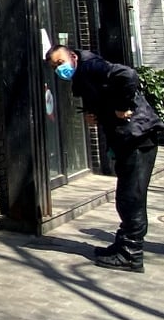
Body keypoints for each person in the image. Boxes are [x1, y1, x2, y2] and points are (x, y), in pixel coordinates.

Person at [45, 44, 162, 272]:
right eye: (54, 67)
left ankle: (131, 254)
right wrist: (96, 114)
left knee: (131, 198)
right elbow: (104, 97)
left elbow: (128, 75)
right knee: (126, 197)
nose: (59, 70)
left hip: (137, 137)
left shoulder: (91, 66)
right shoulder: (83, 75)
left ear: (73, 56)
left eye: (60, 63)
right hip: (128, 139)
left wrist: (123, 106)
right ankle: (123, 244)